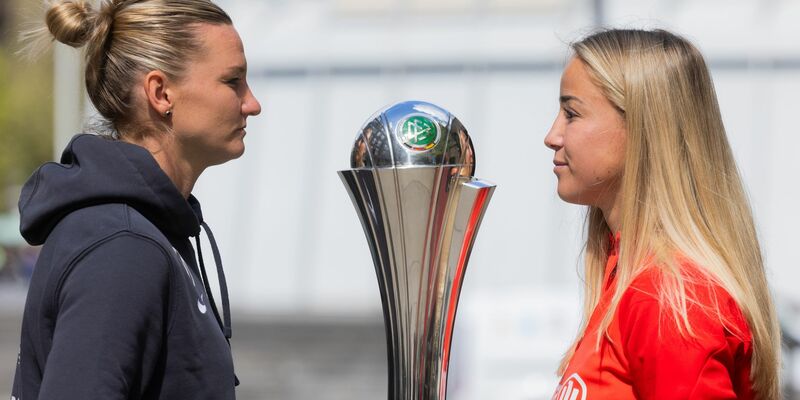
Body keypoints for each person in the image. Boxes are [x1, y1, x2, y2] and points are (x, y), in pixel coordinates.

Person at [12, 0, 261, 398]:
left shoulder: (146, 233)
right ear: (161, 92)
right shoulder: (122, 247)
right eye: (233, 81)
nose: (252, 104)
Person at [544, 29, 781, 400]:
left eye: (571, 113)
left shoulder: (669, 298)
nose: (552, 136)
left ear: (641, 126)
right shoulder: (628, 275)